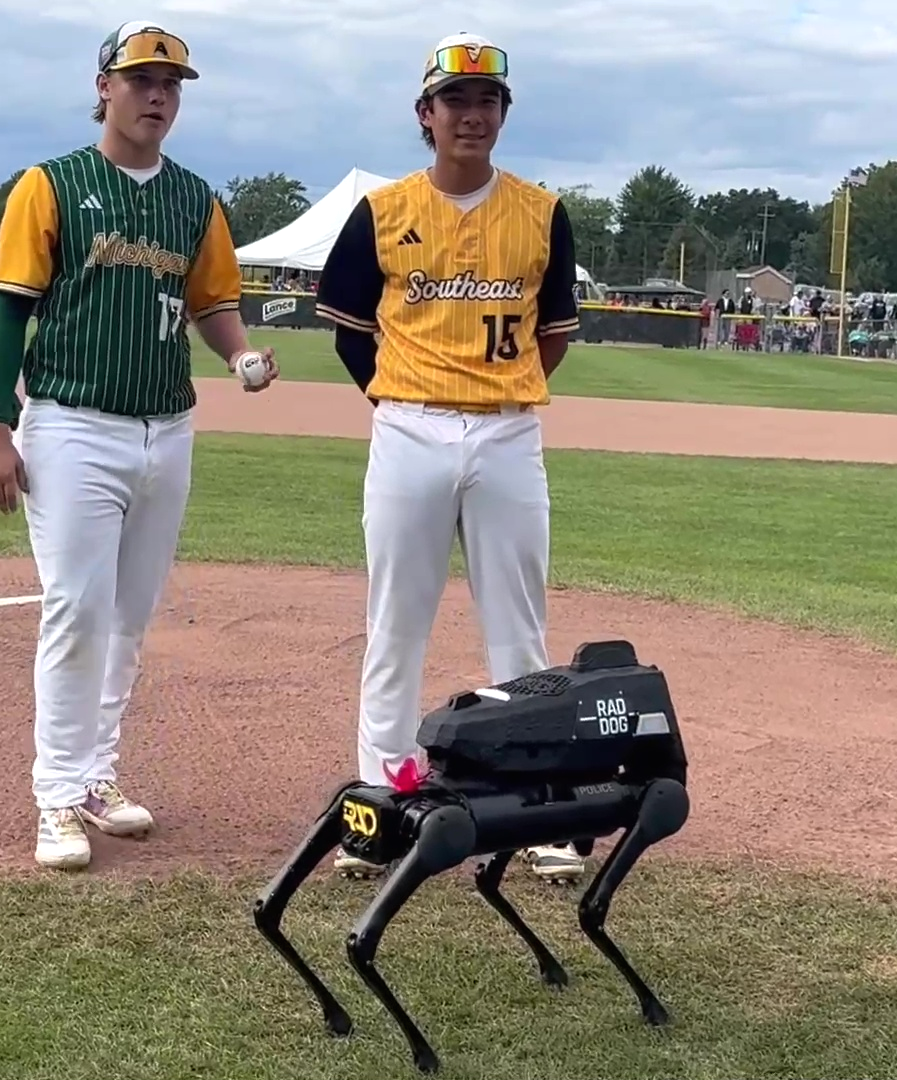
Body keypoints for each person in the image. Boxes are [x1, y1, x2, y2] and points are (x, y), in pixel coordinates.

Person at [0, 21, 279, 871]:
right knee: (76, 609)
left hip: (166, 427)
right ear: (103, 86)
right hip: (71, 423)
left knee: (129, 618)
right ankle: (56, 797)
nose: (158, 96)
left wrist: (239, 353)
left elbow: (211, 302)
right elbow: (8, 311)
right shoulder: (51, 186)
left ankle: (98, 776)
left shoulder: (195, 199)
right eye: (142, 79)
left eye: (172, 84)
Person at [314, 32, 586, 884]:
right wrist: (402, 399)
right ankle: (380, 804)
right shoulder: (384, 211)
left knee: (520, 627)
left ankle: (542, 808)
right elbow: (352, 334)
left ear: (503, 116)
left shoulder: (541, 212)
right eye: (455, 102)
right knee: (396, 624)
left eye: (488, 102)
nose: (472, 115)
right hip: (409, 428)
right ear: (425, 115)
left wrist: (494, 396)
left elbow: (554, 334)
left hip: (507, 429)